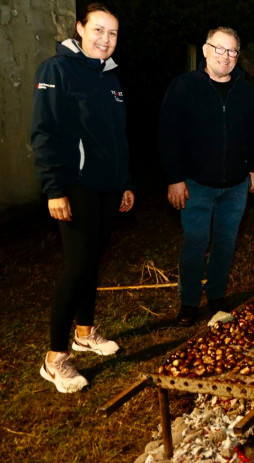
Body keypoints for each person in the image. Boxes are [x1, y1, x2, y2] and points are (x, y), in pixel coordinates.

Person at [31, 3, 134, 393]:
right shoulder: (56, 70)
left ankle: (84, 333)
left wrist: (125, 182)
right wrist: (54, 189)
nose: (105, 39)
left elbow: (118, 137)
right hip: (75, 186)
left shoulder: (110, 76)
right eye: (99, 30)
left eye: (113, 33)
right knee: (76, 267)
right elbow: (45, 133)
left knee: (93, 262)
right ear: (80, 29)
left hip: (109, 187)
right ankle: (55, 358)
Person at [160, 26, 254, 326]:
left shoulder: (244, 91)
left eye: (232, 51)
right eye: (219, 48)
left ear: (237, 56)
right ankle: (189, 302)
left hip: (235, 186)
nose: (225, 56)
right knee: (195, 241)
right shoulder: (183, 86)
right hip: (195, 185)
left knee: (225, 242)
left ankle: (216, 295)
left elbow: (253, 134)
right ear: (205, 50)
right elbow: (168, 136)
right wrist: (174, 178)